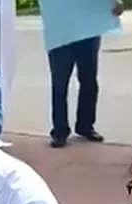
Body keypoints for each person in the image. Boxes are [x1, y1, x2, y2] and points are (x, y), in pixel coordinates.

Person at [38, 0, 124, 148]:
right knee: (60, 84)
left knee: (89, 80)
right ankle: (60, 131)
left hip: (87, 31)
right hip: (60, 32)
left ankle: (85, 126)